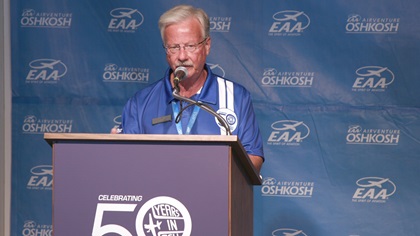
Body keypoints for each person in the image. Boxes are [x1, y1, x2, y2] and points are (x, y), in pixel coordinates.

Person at [113, 5, 264, 173]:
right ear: (166, 50)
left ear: (207, 45)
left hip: (214, 195)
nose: (182, 56)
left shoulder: (235, 97)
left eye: (190, 46)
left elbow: (253, 158)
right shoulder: (140, 102)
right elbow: (125, 161)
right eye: (174, 47)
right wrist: (118, 151)